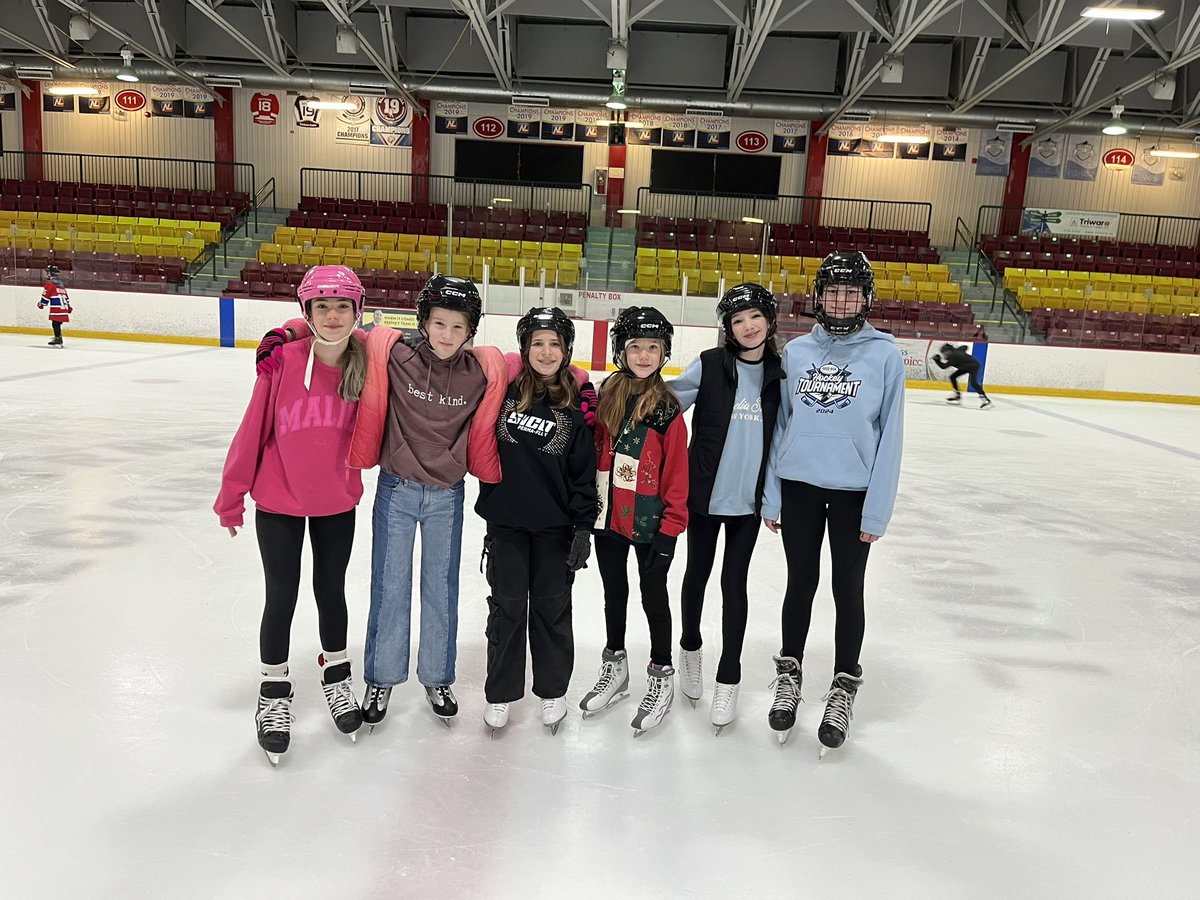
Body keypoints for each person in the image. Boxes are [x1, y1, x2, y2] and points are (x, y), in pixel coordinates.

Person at [254, 274, 507, 732]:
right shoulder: (394, 353)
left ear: (471, 330)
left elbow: (538, 363)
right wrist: (287, 330)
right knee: (390, 589)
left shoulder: (481, 370)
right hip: (397, 490)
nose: (446, 335)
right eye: (438, 324)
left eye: (457, 327)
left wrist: (582, 384)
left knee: (440, 589)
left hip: (447, 496)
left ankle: (437, 677)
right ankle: (381, 678)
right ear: (422, 322)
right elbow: (334, 326)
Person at [214, 265, 369, 766]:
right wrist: (231, 496)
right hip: (279, 501)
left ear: (357, 311)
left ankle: (337, 679)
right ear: (306, 311)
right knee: (281, 595)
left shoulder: (367, 364)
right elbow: (253, 429)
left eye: (342, 305)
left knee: (331, 591)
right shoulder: (282, 361)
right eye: (320, 306)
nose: (331, 315)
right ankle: (274, 691)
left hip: (336, 503)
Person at [760, 251, 905, 756]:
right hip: (798, 486)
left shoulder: (886, 355)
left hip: (853, 493)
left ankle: (843, 685)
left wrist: (877, 509)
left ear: (866, 298)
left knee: (848, 587)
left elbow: (891, 436)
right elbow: (782, 428)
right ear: (819, 297)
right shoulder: (796, 352)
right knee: (800, 583)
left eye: (852, 292)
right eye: (833, 292)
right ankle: (789, 673)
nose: (842, 302)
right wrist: (772, 494)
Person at [667, 283, 786, 734]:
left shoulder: (780, 374)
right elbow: (669, 403)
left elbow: (783, 441)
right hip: (703, 497)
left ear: (769, 321)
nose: (748, 326)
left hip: (747, 505)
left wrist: (772, 499)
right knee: (696, 573)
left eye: (755, 317)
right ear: (728, 329)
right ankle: (691, 650)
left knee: (734, 583)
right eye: (738, 321)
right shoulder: (711, 365)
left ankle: (729, 675)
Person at [474, 308, 598, 736]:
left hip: (555, 529)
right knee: (507, 608)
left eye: (555, 344)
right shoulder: (503, 392)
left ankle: (552, 689)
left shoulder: (577, 407)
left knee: (551, 609)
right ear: (525, 348)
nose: (546, 352)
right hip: (506, 524)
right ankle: (500, 693)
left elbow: (583, 475)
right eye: (538, 343)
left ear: (566, 351)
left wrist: (583, 528)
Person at [581, 306, 689, 736]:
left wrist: (669, 531)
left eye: (653, 348)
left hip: (650, 525)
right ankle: (616, 666)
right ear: (620, 351)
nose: (644, 356)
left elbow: (677, 477)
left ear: (663, 354)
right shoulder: (606, 395)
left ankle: (661, 674)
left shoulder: (667, 410)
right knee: (614, 593)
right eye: (635, 347)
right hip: (608, 518)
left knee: (653, 596)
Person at [932, 342, 992, 408]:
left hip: (973, 366)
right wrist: (960, 350)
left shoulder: (953, 357)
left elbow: (943, 366)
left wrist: (937, 360)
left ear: (949, 351)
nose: (944, 355)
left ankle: (986, 400)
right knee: (953, 377)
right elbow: (965, 346)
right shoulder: (956, 352)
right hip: (965, 367)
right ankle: (957, 395)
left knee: (973, 383)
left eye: (944, 352)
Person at [38, 265, 71, 348]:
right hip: (64, 308)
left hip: (57, 309)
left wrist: (41, 304)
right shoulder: (60, 284)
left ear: (50, 274)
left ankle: (58, 338)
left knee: (55, 324)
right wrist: (69, 307)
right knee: (57, 324)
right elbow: (66, 297)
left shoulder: (50, 284)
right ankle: (58, 337)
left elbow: (46, 295)